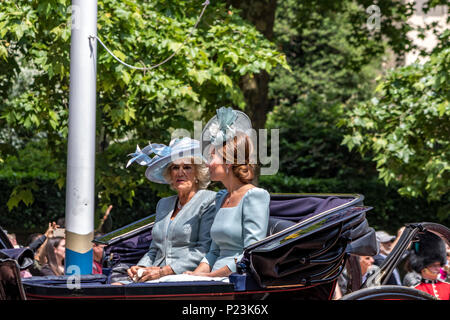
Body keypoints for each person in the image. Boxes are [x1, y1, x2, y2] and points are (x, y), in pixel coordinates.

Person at [185, 107, 270, 277]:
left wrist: (210, 277)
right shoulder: (221, 197)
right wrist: (193, 277)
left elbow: (250, 254)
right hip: (213, 280)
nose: (208, 163)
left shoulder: (255, 196)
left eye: (213, 157)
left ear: (228, 162)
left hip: (237, 279)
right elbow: (213, 252)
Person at [120, 137, 217, 283]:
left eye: (187, 167)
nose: (180, 173)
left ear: (198, 173)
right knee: (115, 287)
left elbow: (203, 249)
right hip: (152, 274)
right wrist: (140, 267)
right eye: (175, 167)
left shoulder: (209, 200)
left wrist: (163, 272)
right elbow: (154, 250)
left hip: (184, 276)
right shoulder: (163, 204)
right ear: (169, 174)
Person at [408, 230, 449, 300]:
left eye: (439, 265)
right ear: (423, 267)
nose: (438, 268)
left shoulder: (448, 287)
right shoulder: (414, 291)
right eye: (433, 266)